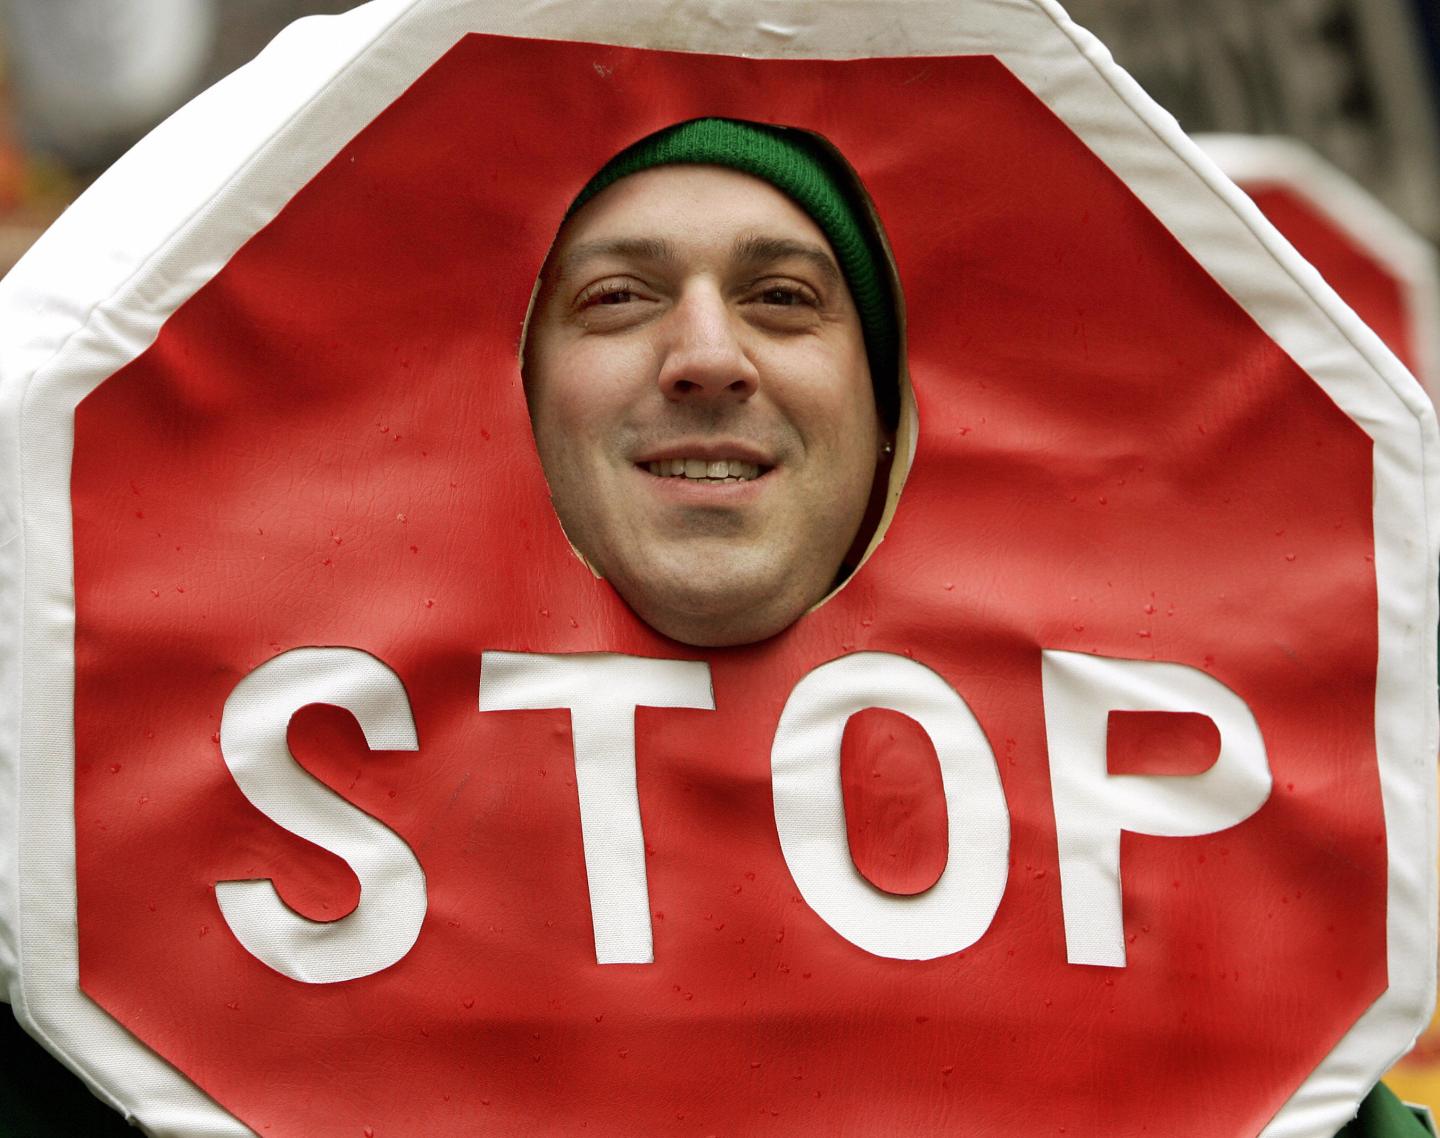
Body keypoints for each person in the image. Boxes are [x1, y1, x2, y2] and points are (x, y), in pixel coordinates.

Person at [521, 115, 1434, 1138]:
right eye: (617, 297)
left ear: (884, 424)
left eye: (783, 298)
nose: (705, 355)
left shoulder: (1208, 911)